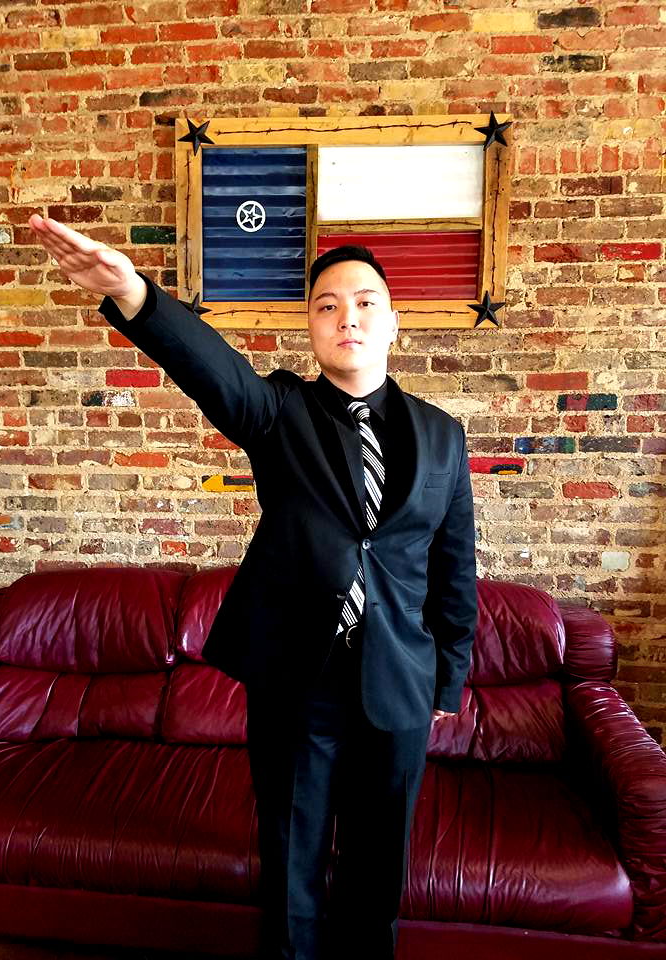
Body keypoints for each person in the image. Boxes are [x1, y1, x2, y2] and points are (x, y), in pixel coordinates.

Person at [28, 214, 478, 960]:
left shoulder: (443, 435)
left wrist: (448, 677)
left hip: (399, 678)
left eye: (364, 302)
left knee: (377, 875)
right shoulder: (280, 412)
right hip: (299, 680)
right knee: (292, 864)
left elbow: (454, 566)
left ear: (393, 321)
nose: (347, 317)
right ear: (311, 327)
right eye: (327, 305)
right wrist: (134, 293)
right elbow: (216, 370)